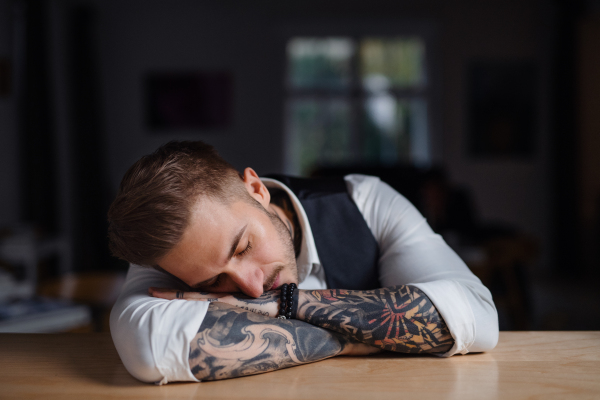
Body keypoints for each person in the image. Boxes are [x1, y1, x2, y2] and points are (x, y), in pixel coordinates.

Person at [108, 141, 498, 385]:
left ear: (256, 190)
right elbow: (152, 349)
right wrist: (374, 337)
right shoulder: (168, 250)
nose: (252, 287)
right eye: (213, 284)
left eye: (242, 247)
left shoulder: (369, 203)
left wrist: (285, 306)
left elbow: (477, 317)